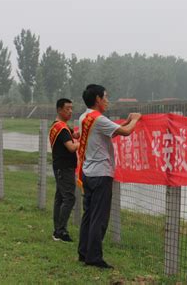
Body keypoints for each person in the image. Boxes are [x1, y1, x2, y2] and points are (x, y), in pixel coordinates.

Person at [77, 84, 141, 269]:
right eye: (105, 97)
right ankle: (94, 257)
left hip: (88, 173)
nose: (107, 100)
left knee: (88, 216)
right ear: (97, 99)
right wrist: (135, 119)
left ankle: (84, 252)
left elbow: (109, 131)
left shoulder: (85, 117)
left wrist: (126, 121)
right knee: (99, 218)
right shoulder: (99, 119)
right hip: (101, 174)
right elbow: (126, 132)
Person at [50, 98, 79, 242]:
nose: (70, 111)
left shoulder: (59, 126)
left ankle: (57, 231)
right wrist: (80, 142)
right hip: (64, 168)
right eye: (67, 108)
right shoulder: (61, 128)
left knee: (60, 198)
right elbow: (71, 147)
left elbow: (72, 136)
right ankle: (61, 231)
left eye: (71, 108)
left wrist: (76, 136)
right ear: (59, 110)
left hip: (60, 167)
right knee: (69, 198)